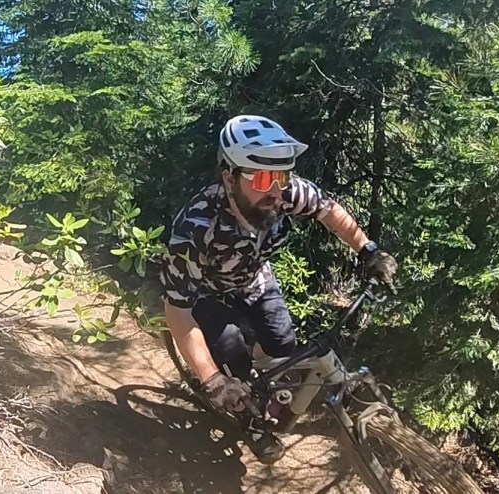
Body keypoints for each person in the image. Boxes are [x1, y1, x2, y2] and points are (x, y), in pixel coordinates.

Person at [160, 114, 398, 464]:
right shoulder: (195, 227)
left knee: (283, 345)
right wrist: (212, 380)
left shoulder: (285, 193)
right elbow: (177, 313)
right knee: (232, 356)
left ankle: (260, 383)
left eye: (282, 175)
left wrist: (369, 251)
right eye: (262, 178)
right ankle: (248, 419)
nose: (276, 189)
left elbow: (329, 210)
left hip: (254, 279)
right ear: (229, 176)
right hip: (206, 293)